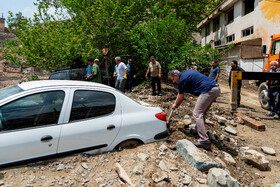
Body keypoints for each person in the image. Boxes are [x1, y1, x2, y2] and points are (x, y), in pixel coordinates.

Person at [169, 69, 220, 150]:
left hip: (208, 90)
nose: (173, 82)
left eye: (173, 79)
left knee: (197, 113)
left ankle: (204, 140)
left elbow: (181, 97)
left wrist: (175, 105)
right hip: (215, 88)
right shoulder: (186, 73)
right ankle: (197, 130)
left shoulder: (181, 80)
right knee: (202, 113)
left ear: (176, 75)